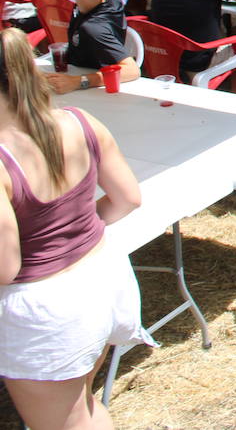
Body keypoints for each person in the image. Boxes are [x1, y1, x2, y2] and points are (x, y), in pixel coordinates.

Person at [0, 28, 150, 430]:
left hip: (47, 308)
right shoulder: (79, 120)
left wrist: (54, 236)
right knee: (80, 406)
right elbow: (127, 198)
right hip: (102, 278)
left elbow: (5, 267)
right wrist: (71, 229)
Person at [42, 0, 140, 95]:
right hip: (71, 67)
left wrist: (77, 82)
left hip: (86, 88)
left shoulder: (94, 29)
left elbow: (132, 70)